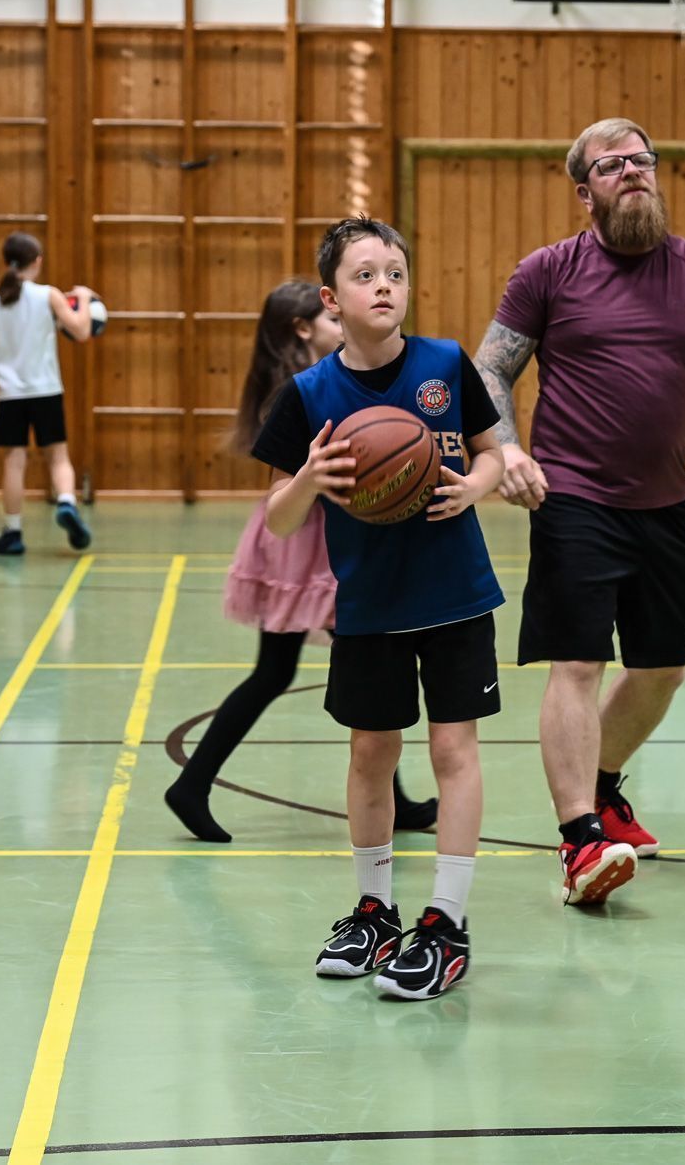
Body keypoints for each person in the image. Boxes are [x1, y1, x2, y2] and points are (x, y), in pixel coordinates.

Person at [474, 117, 685, 906]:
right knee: (579, 664)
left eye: (642, 160)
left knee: (661, 670)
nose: (633, 171)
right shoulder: (548, 272)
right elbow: (490, 368)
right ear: (583, 190)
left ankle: (605, 784)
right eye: (612, 164)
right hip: (573, 498)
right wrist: (509, 452)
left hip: (663, 507)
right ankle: (580, 839)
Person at [253, 216, 504, 1001]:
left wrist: (476, 485)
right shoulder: (309, 395)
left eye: (394, 272)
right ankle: (375, 909)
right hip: (368, 605)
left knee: (453, 752)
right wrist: (309, 480)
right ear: (333, 297)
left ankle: (446, 923)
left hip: (456, 594)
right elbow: (277, 519)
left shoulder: (443, 364)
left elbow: (495, 452)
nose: (384, 285)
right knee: (371, 755)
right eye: (365, 275)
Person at [162, 279, 436, 845]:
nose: (343, 327)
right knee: (359, 661)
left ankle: (193, 785)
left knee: (292, 670)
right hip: (302, 543)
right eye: (331, 320)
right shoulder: (298, 391)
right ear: (303, 328)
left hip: (310, 541)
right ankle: (193, 785)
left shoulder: (313, 381)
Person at [0, 232, 95, 556]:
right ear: (37, 262)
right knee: (58, 456)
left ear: (7, 262)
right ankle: (66, 503)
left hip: (10, 396)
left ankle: (13, 532)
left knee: (14, 462)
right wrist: (86, 300)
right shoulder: (48, 296)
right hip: (46, 390)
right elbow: (81, 330)